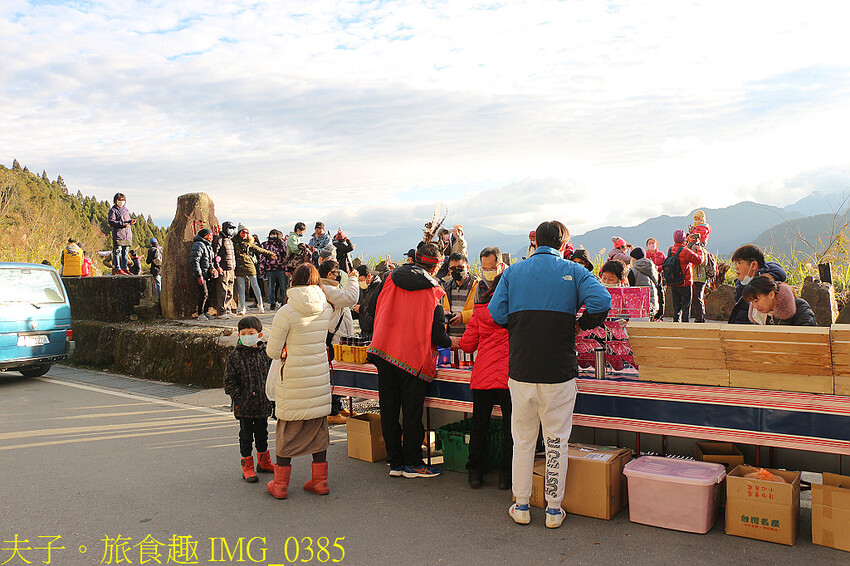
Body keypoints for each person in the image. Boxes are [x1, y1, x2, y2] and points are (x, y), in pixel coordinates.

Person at [489, 220, 610, 529]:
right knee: (557, 441)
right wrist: (580, 324)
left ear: (535, 243)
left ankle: (522, 505)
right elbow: (602, 301)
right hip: (559, 371)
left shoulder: (513, 272)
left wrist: (521, 327)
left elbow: (496, 313)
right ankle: (554, 510)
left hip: (522, 369)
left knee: (523, 441)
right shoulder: (576, 271)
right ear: (563, 244)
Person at [366, 243, 451, 479]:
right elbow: (437, 335)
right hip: (412, 358)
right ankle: (413, 463)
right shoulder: (434, 291)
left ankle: (395, 462)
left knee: (389, 409)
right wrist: (450, 339)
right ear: (436, 266)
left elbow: (371, 309)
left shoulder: (389, 278)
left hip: (383, 350)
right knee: (412, 413)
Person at [265, 263, 334, 500]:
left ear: (293, 281)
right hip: (318, 377)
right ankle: (320, 482)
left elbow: (273, 351)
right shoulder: (325, 307)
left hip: (293, 377)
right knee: (317, 429)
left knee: (287, 431)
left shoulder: (286, 311)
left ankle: (281, 485)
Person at [456, 246, 512, 490]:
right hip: (510, 377)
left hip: (482, 376)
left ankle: (475, 473)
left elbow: (467, 345)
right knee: (511, 428)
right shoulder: (514, 313)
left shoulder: (479, 313)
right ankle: (505, 476)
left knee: (480, 425)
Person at [223, 316, 275, 483]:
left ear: (259, 335)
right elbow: (229, 382)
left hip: (262, 403)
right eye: (243, 333)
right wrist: (239, 399)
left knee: (262, 433)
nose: (247, 336)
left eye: (250, 333)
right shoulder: (234, 357)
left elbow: (272, 377)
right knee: (246, 436)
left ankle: (264, 461)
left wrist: (271, 398)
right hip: (244, 407)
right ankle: (247, 466)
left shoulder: (266, 354)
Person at [318, 260, 360, 423]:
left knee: (338, 374)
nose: (339, 277)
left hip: (338, 338)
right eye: (338, 274)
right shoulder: (327, 289)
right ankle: (333, 411)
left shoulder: (329, 288)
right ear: (329, 275)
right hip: (334, 339)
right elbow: (351, 297)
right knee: (334, 374)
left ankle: (339, 406)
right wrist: (353, 279)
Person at [728, 244, 787, 324]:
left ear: (754, 265)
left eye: (739, 263)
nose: (736, 267)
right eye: (735, 264)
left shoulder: (765, 287)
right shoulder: (742, 285)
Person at [233, 224, 276, 315]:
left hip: (249, 265)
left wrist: (270, 254)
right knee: (241, 288)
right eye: (243, 232)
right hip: (239, 267)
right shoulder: (234, 241)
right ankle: (243, 307)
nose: (245, 234)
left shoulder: (249, 242)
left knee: (255, 285)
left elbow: (259, 249)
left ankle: (260, 304)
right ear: (239, 232)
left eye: (247, 232)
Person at [742, 276, 817, 326]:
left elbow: (809, 338)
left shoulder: (800, 307)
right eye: (752, 302)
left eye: (756, 301)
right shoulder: (758, 316)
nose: (755, 306)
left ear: (771, 295)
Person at [666, 229, 703, 323]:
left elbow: (680, 251)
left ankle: (676, 325)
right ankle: (685, 326)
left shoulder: (670, 249)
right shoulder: (686, 251)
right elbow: (698, 260)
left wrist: (689, 243)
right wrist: (699, 250)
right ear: (684, 239)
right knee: (686, 307)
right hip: (684, 283)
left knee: (676, 307)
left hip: (674, 282)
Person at [442, 253, 482, 339]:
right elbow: (442, 308)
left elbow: (483, 311)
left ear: (467, 268)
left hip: (473, 340)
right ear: (449, 271)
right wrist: (445, 313)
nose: (457, 270)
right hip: (451, 340)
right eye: (453, 268)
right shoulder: (445, 287)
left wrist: (463, 316)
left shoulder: (478, 286)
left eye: (460, 267)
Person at [189, 228, 217, 321]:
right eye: (209, 235)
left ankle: (206, 312)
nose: (211, 236)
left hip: (207, 273)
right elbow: (194, 261)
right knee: (203, 293)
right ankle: (200, 313)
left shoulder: (208, 245)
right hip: (201, 274)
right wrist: (199, 275)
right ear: (204, 235)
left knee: (209, 293)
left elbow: (210, 260)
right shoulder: (198, 245)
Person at [212, 222, 237, 318]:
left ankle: (228, 309)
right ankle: (221, 311)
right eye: (230, 228)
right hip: (223, 269)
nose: (231, 230)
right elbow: (215, 254)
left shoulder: (230, 240)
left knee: (230, 291)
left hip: (231, 268)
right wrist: (217, 266)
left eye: (232, 228)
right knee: (222, 290)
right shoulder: (219, 239)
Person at [260, 229, 289, 310]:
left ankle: (284, 302)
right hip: (270, 269)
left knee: (283, 287)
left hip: (281, 268)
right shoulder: (266, 245)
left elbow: (286, 256)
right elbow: (262, 258)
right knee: (270, 287)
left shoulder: (282, 244)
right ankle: (272, 303)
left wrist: (287, 268)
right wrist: (262, 270)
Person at [107, 193, 135, 275]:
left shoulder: (126, 210)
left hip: (127, 235)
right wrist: (123, 224)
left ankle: (124, 268)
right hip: (118, 235)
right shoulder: (113, 210)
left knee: (125, 252)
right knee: (117, 252)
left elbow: (127, 221)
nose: (122, 201)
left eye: (123, 200)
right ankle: (118, 268)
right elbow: (111, 221)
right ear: (116, 201)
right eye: (120, 200)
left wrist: (131, 222)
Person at [627, 247, 660, 316]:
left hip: (639, 305)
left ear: (634, 258)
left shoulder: (633, 271)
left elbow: (630, 288)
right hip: (652, 303)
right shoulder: (652, 267)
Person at [352, 264, 382, 337]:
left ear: (369, 276)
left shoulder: (379, 288)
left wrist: (361, 309)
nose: (360, 282)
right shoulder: (362, 289)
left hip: (375, 332)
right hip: (364, 331)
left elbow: (377, 310)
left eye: (361, 280)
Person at [645, 238, 666, 320]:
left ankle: (660, 315)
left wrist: (658, 267)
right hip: (649, 277)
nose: (651, 245)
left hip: (659, 276)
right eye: (650, 243)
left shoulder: (661, 254)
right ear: (647, 245)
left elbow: (665, 265)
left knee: (661, 295)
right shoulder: (645, 254)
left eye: (653, 243)